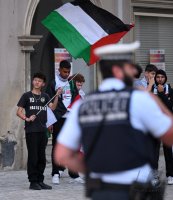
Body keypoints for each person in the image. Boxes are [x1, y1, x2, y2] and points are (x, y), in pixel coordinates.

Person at [55, 41, 173, 200]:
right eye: (129, 67)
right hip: (136, 188)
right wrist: (157, 101)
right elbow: (169, 134)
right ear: (118, 70)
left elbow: (61, 154)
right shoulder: (138, 99)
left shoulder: (84, 104)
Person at [16, 72, 60, 190]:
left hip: (43, 131)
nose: (37, 82)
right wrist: (27, 118)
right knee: (33, 157)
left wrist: (56, 96)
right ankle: (33, 181)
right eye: (35, 80)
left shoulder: (45, 96)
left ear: (43, 84)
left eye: (39, 81)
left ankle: (40, 180)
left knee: (41, 157)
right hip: (31, 131)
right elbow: (19, 111)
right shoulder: (26, 96)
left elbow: (53, 107)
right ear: (33, 81)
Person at [152, 69, 173, 185]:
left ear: (165, 78)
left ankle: (170, 174)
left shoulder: (170, 90)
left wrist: (162, 94)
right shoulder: (151, 89)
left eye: (162, 77)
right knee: (154, 152)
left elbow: (170, 106)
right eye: (158, 77)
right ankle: (154, 176)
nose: (160, 79)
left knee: (168, 151)